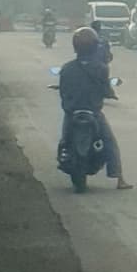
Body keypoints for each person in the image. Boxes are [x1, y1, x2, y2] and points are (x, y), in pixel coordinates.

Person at [54, 24, 126, 187]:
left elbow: (63, 92)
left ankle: (63, 158)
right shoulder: (101, 68)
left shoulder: (67, 68)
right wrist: (109, 93)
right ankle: (119, 178)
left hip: (72, 113)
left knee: (65, 139)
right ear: (94, 46)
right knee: (109, 142)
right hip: (93, 113)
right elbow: (105, 89)